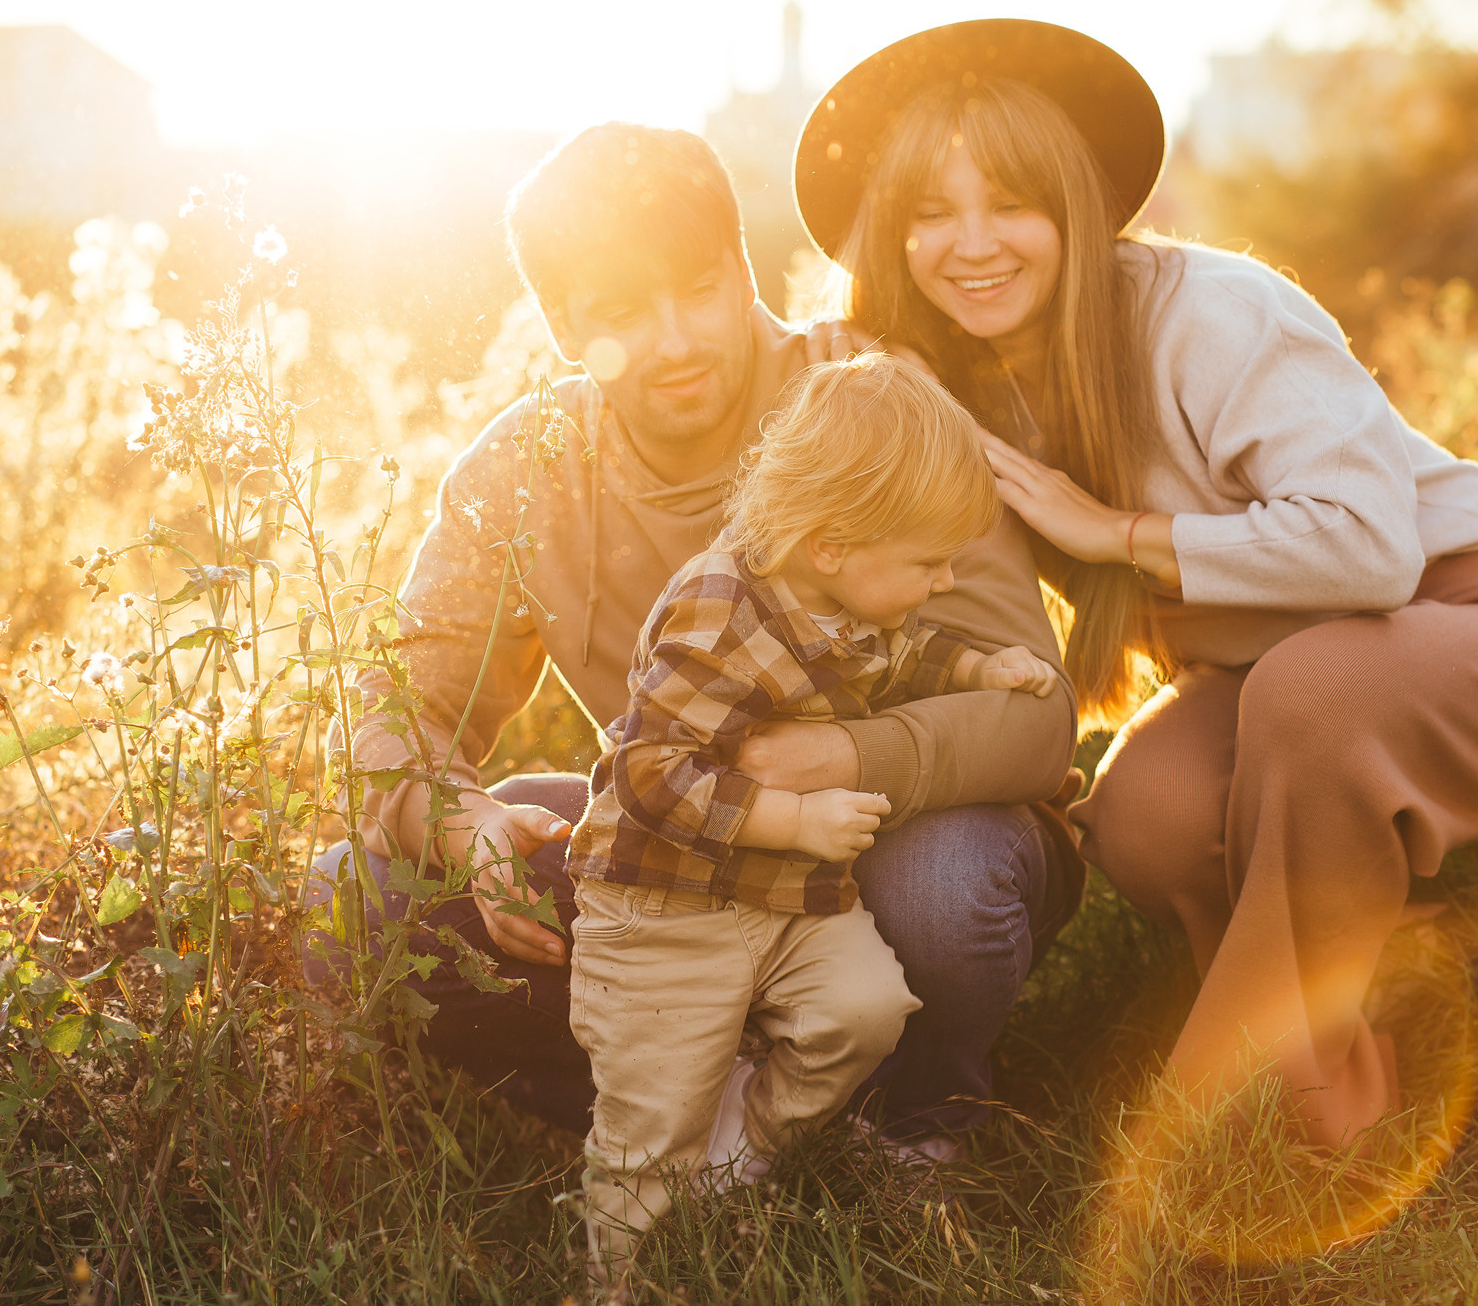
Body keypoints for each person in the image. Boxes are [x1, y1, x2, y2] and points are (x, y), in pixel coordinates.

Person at [794, 19, 1478, 1147]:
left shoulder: (1208, 312)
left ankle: (1268, 1102)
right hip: (1271, 673)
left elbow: (1372, 550)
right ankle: (1366, 950)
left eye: (1008, 202)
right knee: (1144, 813)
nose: (970, 244)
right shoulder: (950, 374)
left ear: (1071, 204)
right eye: (928, 213)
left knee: (1311, 694)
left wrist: (1117, 532)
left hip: (1465, 627)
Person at [314, 123, 1083, 1153]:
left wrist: (840, 757)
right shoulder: (527, 469)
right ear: (561, 325)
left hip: (898, 843)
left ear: (742, 266)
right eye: (624, 314)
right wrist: (465, 828)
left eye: (699, 289)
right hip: (687, 861)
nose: (673, 341)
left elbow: (1036, 724)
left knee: (937, 884)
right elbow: (393, 711)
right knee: (350, 897)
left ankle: (922, 1117)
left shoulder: (874, 396)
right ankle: (717, 1104)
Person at [569, 354, 1063, 1277]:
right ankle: (621, 1272)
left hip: (777, 896)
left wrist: (978, 671)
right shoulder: (716, 614)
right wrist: (793, 821)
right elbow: (648, 776)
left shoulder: (837, 589)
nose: (948, 577)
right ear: (833, 543)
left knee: (867, 1009)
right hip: (668, 906)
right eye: (928, 560)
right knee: (648, 1135)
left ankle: (737, 1153)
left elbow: (900, 649)